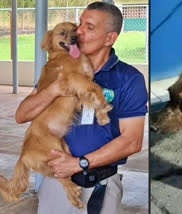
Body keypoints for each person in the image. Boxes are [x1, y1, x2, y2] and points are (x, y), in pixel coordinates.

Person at [15, 2, 148, 214]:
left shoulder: (129, 79)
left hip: (102, 182)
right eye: (80, 23)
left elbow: (132, 141)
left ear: (110, 38)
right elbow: (22, 115)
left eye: (90, 27)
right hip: (58, 182)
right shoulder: (59, 69)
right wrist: (54, 90)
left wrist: (80, 163)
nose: (79, 32)